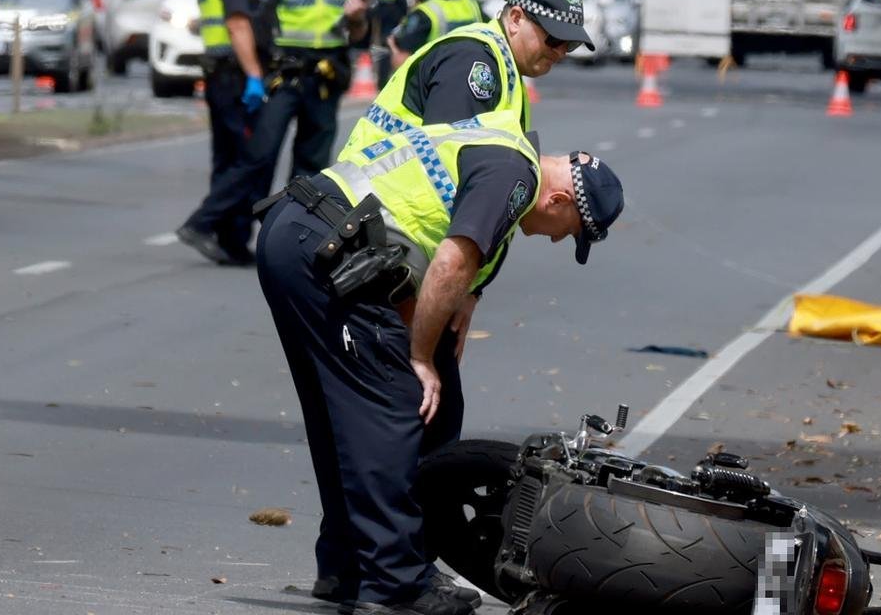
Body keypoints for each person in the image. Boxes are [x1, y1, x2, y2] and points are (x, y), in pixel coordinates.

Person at [255, 107, 625, 615]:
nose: (559, 239)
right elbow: (451, 262)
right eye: (570, 231)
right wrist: (421, 359)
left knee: (344, 416)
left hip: (300, 232)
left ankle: (349, 566)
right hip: (324, 246)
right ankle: (395, 584)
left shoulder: (503, 148)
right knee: (397, 409)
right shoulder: (515, 178)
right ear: (559, 199)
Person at [338, 0, 595, 163]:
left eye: (569, 44)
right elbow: (450, 164)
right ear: (516, 18)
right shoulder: (475, 63)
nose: (561, 52)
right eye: (555, 39)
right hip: (373, 209)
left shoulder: (508, 69)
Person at [176, 0, 271, 266]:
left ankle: (230, 241)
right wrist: (254, 75)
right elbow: (238, 25)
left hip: (219, 76)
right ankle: (201, 224)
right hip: (234, 76)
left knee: (227, 159)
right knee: (250, 158)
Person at [255, 0, 369, 180]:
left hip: (325, 72)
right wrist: (257, 70)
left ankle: (295, 222)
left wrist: (358, 18)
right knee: (262, 152)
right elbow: (263, 17)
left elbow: (359, 34)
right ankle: (251, 221)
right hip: (285, 68)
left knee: (312, 162)